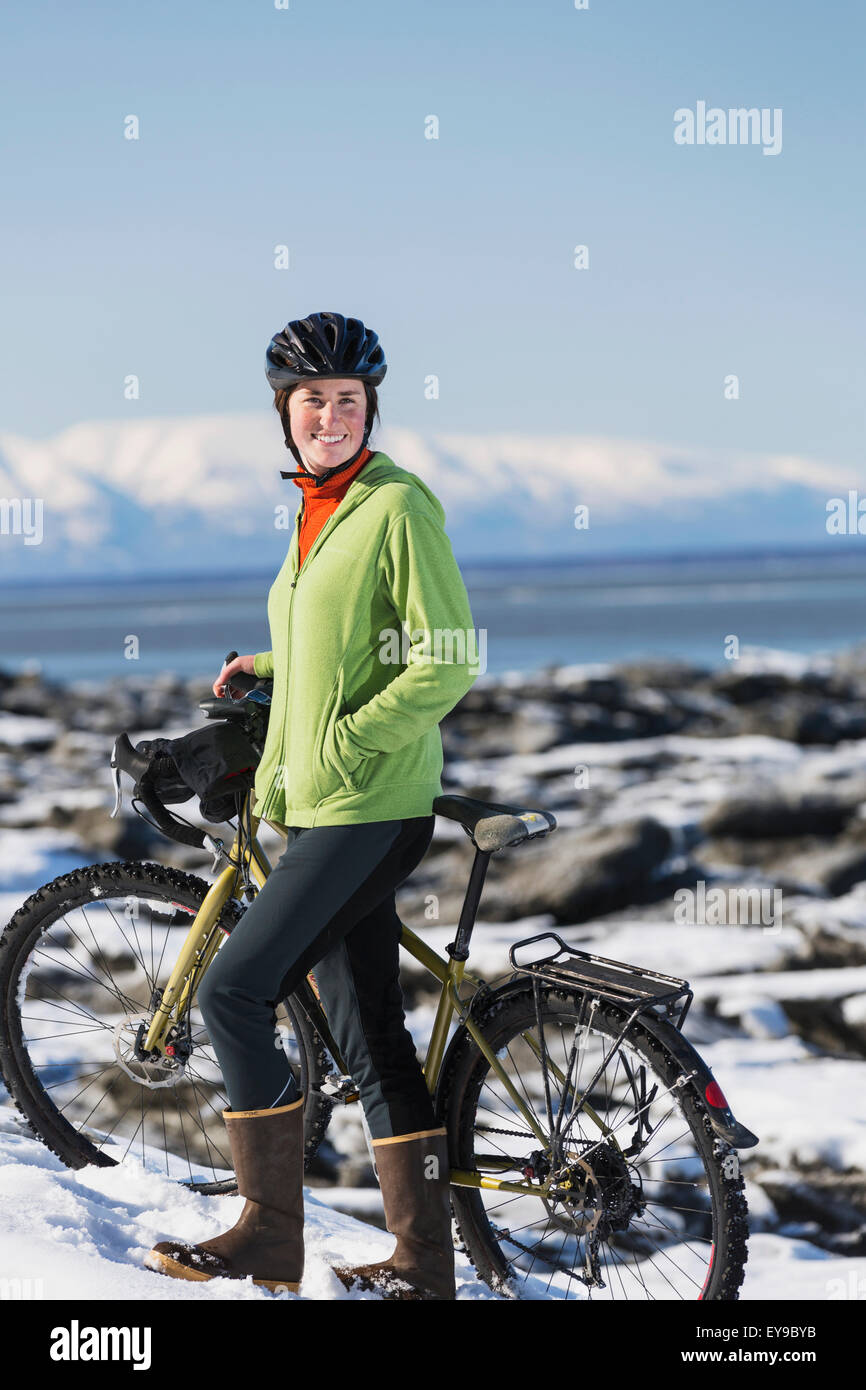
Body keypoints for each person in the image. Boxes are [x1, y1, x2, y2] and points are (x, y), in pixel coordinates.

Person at [144, 311, 478, 1300]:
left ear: (369, 408)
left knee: (234, 992)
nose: (329, 414)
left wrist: (346, 739)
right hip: (327, 805)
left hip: (365, 805)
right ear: (284, 413)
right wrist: (270, 666)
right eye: (311, 400)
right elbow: (350, 647)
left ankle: (265, 1233)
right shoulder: (317, 510)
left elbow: (447, 656)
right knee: (371, 1035)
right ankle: (421, 1265)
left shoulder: (396, 504)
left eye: (346, 400)